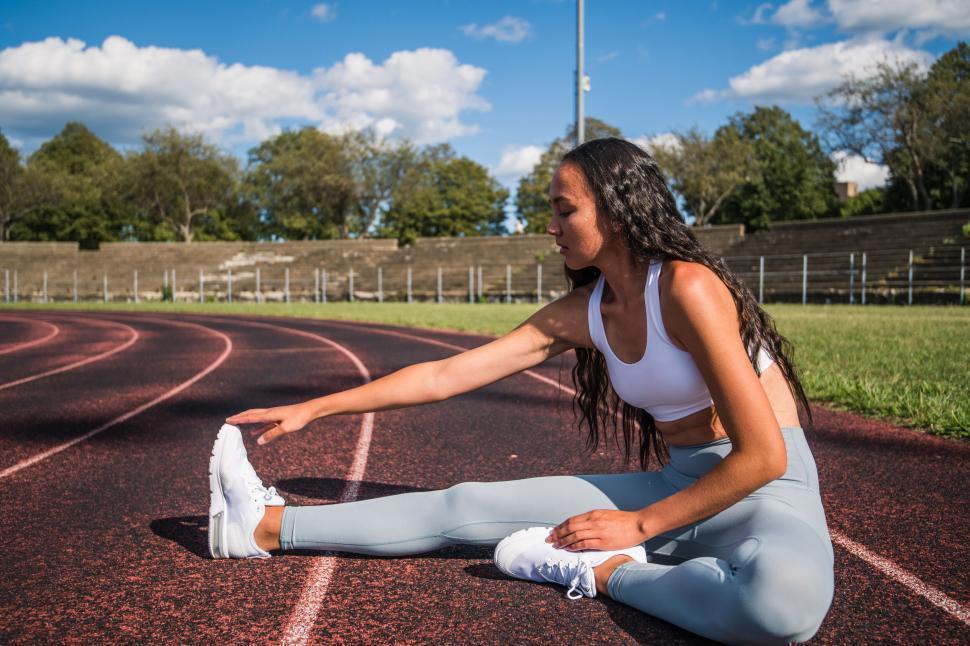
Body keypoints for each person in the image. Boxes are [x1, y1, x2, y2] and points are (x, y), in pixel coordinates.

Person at [209, 137, 834, 645]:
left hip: (768, 496)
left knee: (781, 611)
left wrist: (634, 529)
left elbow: (764, 458)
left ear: (616, 212)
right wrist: (315, 407)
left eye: (566, 210)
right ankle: (263, 525)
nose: (551, 227)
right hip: (680, 486)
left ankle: (609, 576)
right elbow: (446, 374)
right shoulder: (585, 311)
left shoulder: (687, 287)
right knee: (464, 505)